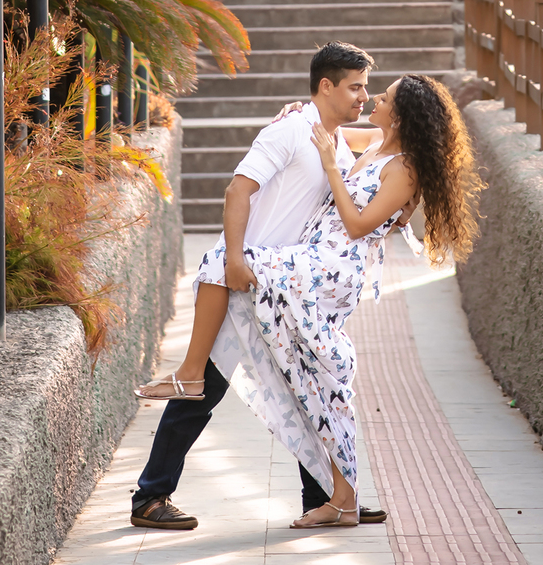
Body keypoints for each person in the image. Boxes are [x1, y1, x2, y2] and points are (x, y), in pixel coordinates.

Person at [150, 72, 480, 529]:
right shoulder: (376, 142)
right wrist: (300, 110)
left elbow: (359, 225)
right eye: (363, 90)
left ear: (402, 116)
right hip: (308, 265)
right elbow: (328, 127)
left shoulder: (403, 166)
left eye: (380, 97)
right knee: (311, 381)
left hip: (328, 271)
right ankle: (335, 497)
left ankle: (189, 380)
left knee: (222, 263)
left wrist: (329, 165)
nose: (371, 100)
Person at [130, 42, 389, 532]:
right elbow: (237, 190)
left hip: (280, 288)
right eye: (355, 87)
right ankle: (150, 496)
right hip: (246, 281)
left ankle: (330, 498)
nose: (363, 96)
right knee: (205, 388)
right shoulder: (291, 130)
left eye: (367, 87)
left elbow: (391, 133)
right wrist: (233, 259)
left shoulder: (326, 138)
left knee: (300, 389)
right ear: (326, 86)